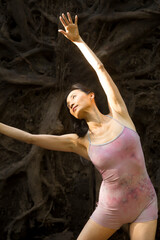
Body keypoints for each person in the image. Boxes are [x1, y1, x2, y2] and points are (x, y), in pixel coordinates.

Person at [0, 12, 158, 240]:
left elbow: (101, 69)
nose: (70, 102)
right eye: (67, 104)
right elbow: (30, 137)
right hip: (110, 211)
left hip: (146, 204)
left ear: (91, 95)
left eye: (73, 96)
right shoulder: (80, 142)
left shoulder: (120, 114)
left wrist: (78, 41)